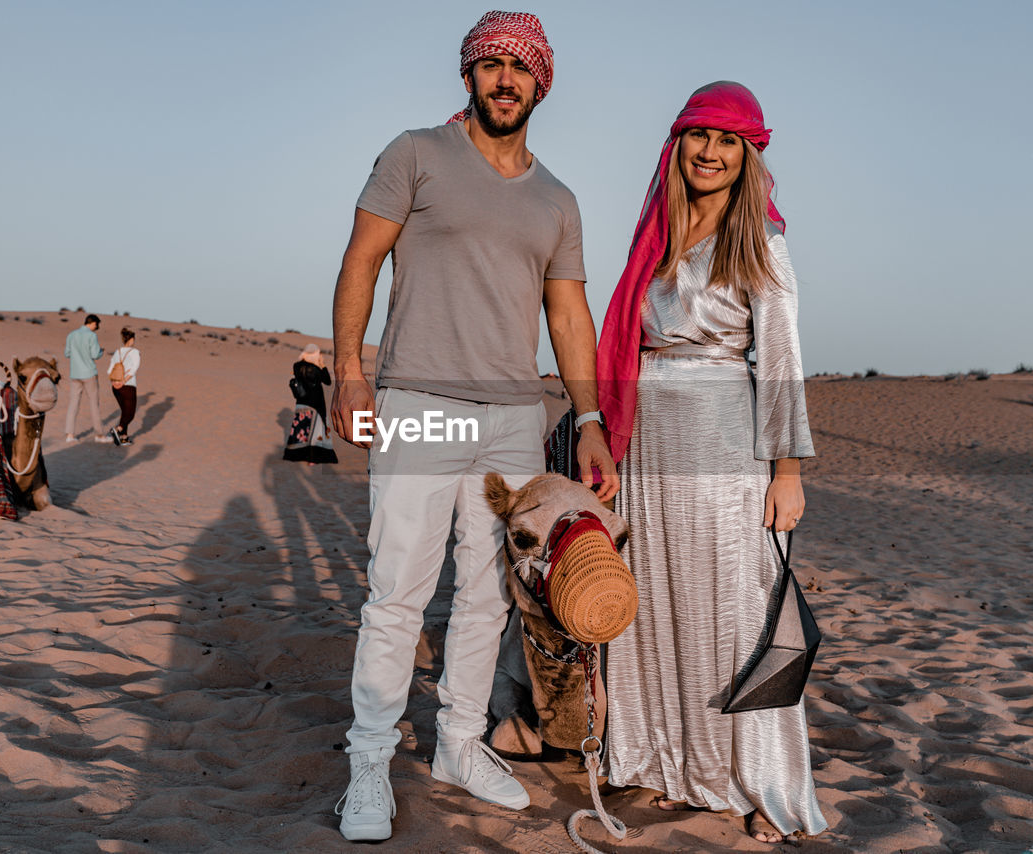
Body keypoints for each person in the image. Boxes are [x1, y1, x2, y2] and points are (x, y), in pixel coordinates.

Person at [327, 10, 618, 842]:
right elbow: (361, 262)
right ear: (468, 75)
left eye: (519, 69)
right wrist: (350, 372)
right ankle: (371, 765)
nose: (504, 79)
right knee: (399, 592)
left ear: (541, 84)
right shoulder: (414, 154)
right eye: (490, 64)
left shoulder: (556, 200)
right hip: (420, 402)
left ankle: (458, 742)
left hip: (514, 421)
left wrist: (590, 415)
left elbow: (568, 313)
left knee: (489, 592)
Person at [596, 82, 828, 844]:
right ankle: (683, 770)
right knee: (662, 607)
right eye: (700, 135)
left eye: (729, 141)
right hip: (648, 444)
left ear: (749, 155)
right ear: (678, 144)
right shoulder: (653, 237)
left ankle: (769, 786)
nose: (711, 152)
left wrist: (787, 468)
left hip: (726, 438)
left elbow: (783, 357)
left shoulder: (760, 238)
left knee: (739, 614)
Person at [283, 343, 337, 464]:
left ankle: (296, 455)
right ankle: (313, 458)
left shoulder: (297, 366)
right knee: (316, 430)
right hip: (316, 402)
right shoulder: (316, 369)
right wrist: (322, 364)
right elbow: (327, 381)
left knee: (301, 428)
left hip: (301, 401)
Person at [63, 313, 111, 443]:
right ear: (92, 323)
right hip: (89, 373)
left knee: (73, 404)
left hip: (75, 373)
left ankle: (70, 435)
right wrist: (101, 351)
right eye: (97, 325)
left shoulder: (71, 335)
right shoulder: (92, 336)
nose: (97, 327)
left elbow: (67, 353)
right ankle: (99, 435)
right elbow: (95, 354)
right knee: (94, 404)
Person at [107, 327, 141, 446]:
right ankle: (117, 430)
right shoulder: (134, 352)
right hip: (128, 386)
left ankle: (124, 437)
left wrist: (114, 382)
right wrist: (123, 381)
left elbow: (109, 370)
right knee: (130, 414)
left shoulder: (117, 352)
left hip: (115, 387)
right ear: (131, 339)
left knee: (124, 412)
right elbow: (134, 369)